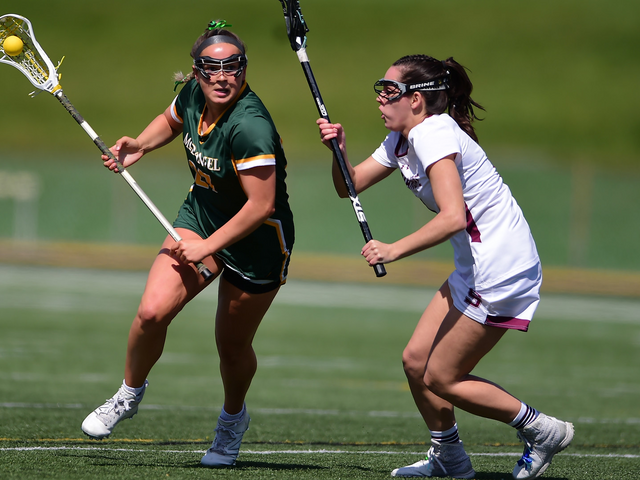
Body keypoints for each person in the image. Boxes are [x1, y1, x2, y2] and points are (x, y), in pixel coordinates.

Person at [317, 54, 573, 479]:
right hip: (474, 263)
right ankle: (449, 458)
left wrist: (393, 250)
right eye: (380, 89)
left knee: (441, 376)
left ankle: (542, 430)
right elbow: (349, 185)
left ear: (417, 100)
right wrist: (338, 151)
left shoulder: (434, 134)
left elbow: (453, 216)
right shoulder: (403, 137)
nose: (380, 99)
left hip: (500, 266)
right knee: (416, 361)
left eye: (389, 91)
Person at [81, 20, 294, 468]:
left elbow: (260, 205)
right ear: (195, 71)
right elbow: (170, 119)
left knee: (231, 347)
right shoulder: (195, 94)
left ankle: (233, 420)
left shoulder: (250, 126)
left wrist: (207, 248)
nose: (222, 76)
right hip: (201, 216)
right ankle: (129, 393)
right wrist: (140, 144)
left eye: (232, 66)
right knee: (152, 311)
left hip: (257, 243)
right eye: (211, 68)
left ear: (244, 68)